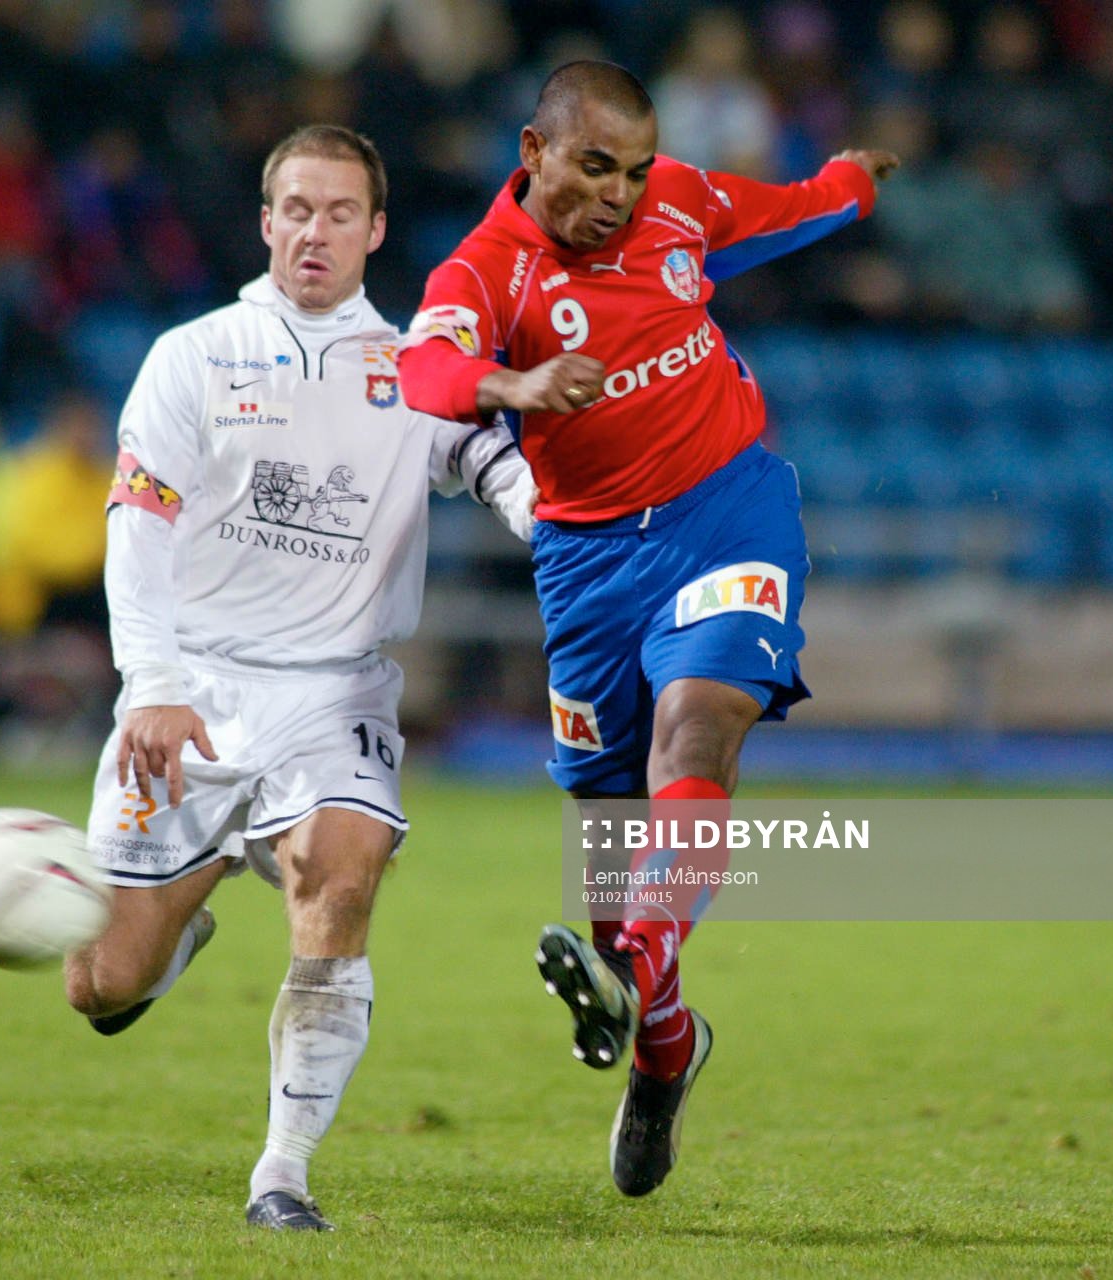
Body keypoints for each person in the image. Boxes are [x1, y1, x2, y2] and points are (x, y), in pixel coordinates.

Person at [398, 61, 898, 1198]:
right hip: (586, 565)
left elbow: (780, 212)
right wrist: (513, 389)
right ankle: (665, 1041)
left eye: (631, 170)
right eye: (594, 167)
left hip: (729, 512)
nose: (619, 194)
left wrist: (852, 182)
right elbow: (424, 368)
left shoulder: (675, 198)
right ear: (533, 152)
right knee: (612, 869)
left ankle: (639, 976)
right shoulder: (487, 268)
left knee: (698, 731)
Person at [61, 124, 534, 1232]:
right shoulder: (194, 354)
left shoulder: (414, 369)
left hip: (334, 690)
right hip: (192, 689)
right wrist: (151, 683)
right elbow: (137, 522)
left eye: (339, 213)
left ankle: (282, 1174)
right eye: (297, 210)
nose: (315, 231)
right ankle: (177, 926)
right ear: (266, 221)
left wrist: (565, 526)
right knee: (101, 985)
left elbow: (500, 472)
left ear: (375, 230)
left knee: (341, 874)